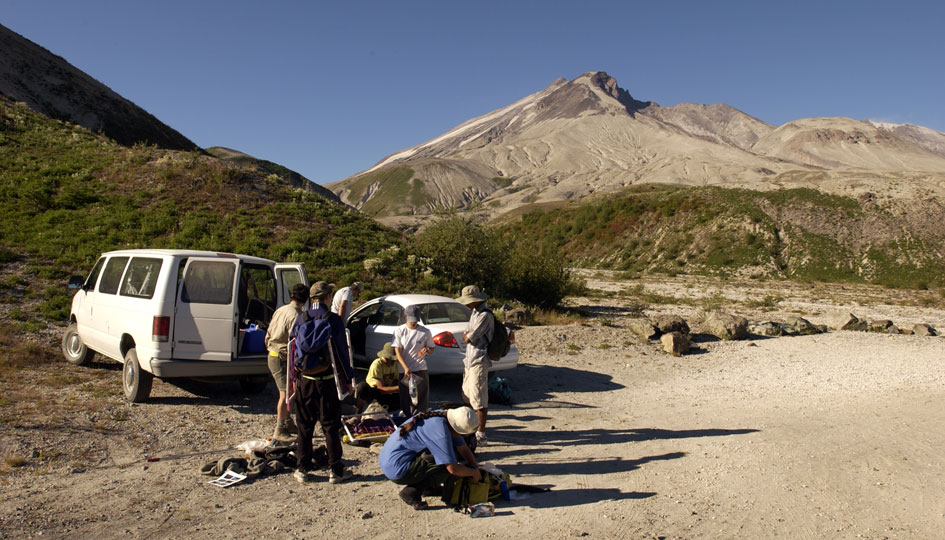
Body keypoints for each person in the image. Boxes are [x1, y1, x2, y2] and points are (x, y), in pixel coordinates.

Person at [291, 281, 355, 485]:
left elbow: (293, 348)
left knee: (304, 427)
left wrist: (294, 378)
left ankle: (302, 469)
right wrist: (349, 379)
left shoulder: (301, 318)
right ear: (327, 297)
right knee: (330, 426)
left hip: (305, 381)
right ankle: (335, 470)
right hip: (328, 381)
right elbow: (342, 353)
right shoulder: (333, 320)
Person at [378, 407, 481, 510]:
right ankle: (411, 492)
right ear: (457, 429)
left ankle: (429, 488)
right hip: (397, 469)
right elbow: (452, 469)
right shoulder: (441, 433)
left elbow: (463, 448)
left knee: (446, 454)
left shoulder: (444, 417)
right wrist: (473, 473)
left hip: (390, 460)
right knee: (446, 463)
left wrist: (475, 467)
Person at [263, 283, 308, 440]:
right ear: (305, 298)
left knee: (289, 391)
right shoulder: (297, 315)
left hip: (272, 353)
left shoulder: (280, 310)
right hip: (282, 357)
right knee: (286, 394)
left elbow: (268, 333)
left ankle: (288, 421)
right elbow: (296, 341)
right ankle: (279, 429)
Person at [456, 285, 493, 446]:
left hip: (479, 359)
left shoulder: (484, 315)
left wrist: (468, 335)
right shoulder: (475, 313)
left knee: (478, 397)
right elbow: (467, 334)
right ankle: (471, 428)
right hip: (470, 360)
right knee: (468, 395)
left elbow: (469, 337)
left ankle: (481, 433)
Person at [393, 305, 435, 416]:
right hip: (405, 371)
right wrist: (405, 367)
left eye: (415, 320)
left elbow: (431, 348)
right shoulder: (399, 331)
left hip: (420, 369)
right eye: (411, 320)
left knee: (421, 398)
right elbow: (398, 351)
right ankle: (407, 419)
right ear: (405, 318)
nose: (413, 323)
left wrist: (427, 350)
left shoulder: (425, 332)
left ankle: (420, 418)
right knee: (406, 398)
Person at [354, 342, 402, 412]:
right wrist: (398, 388)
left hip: (386, 392)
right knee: (362, 387)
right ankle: (359, 410)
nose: (392, 362)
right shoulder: (377, 364)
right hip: (374, 392)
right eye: (390, 359)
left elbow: (395, 380)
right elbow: (381, 389)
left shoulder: (395, 364)